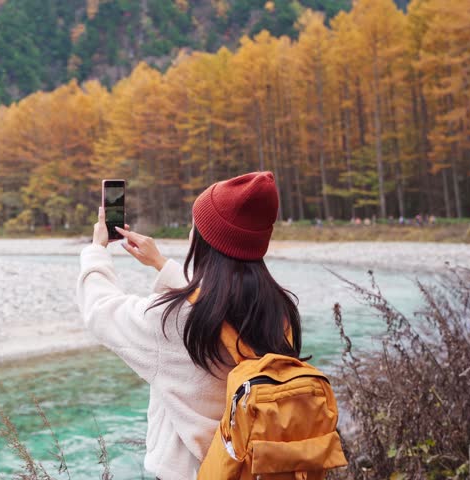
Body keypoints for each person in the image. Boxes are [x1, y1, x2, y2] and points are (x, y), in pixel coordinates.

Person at [77, 172, 304, 480]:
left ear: (204, 239)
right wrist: (162, 265)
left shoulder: (174, 321)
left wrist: (97, 251)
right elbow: (217, 307)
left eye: (195, 224)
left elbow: (101, 312)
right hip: (253, 468)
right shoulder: (279, 309)